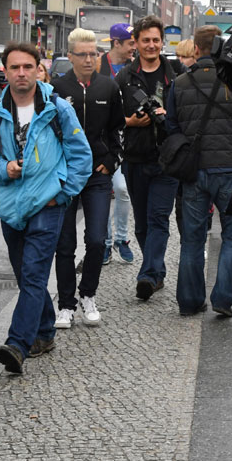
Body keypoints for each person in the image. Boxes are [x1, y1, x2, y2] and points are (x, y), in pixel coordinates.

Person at [0, 43, 91, 373]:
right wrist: (5, 168)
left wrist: (63, 193)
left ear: (39, 69)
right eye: (15, 67)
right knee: (26, 275)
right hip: (11, 206)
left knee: (35, 274)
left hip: (48, 203)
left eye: (28, 66)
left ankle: (18, 343)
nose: (22, 73)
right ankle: (44, 331)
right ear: (5, 71)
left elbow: (81, 157)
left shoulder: (57, 108)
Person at [166, 25, 232, 317]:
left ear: (196, 49)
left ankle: (189, 301)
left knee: (192, 239)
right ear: (221, 47)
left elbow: (171, 126)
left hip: (195, 171)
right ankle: (223, 298)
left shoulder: (180, 82)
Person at [50, 29, 124, 329]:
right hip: (66, 177)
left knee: (96, 240)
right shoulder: (56, 88)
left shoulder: (108, 87)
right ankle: (66, 304)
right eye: (83, 54)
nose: (90, 59)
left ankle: (88, 294)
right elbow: (49, 133)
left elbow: (119, 130)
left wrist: (110, 162)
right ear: (70, 56)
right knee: (64, 244)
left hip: (97, 176)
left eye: (94, 53)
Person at [115, 16, 178, 300]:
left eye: (156, 40)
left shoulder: (176, 75)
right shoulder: (124, 78)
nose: (151, 45)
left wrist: (169, 118)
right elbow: (112, 119)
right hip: (135, 158)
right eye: (145, 40)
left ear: (162, 42)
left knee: (158, 218)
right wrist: (130, 121)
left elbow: (188, 117)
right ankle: (158, 269)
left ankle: (148, 275)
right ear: (136, 44)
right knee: (141, 224)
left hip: (167, 159)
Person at [101, 23, 136, 266]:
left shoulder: (135, 68)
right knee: (102, 191)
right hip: (103, 141)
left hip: (129, 141)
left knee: (122, 190)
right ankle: (105, 242)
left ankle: (121, 239)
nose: (134, 47)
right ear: (117, 43)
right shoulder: (99, 67)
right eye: (131, 43)